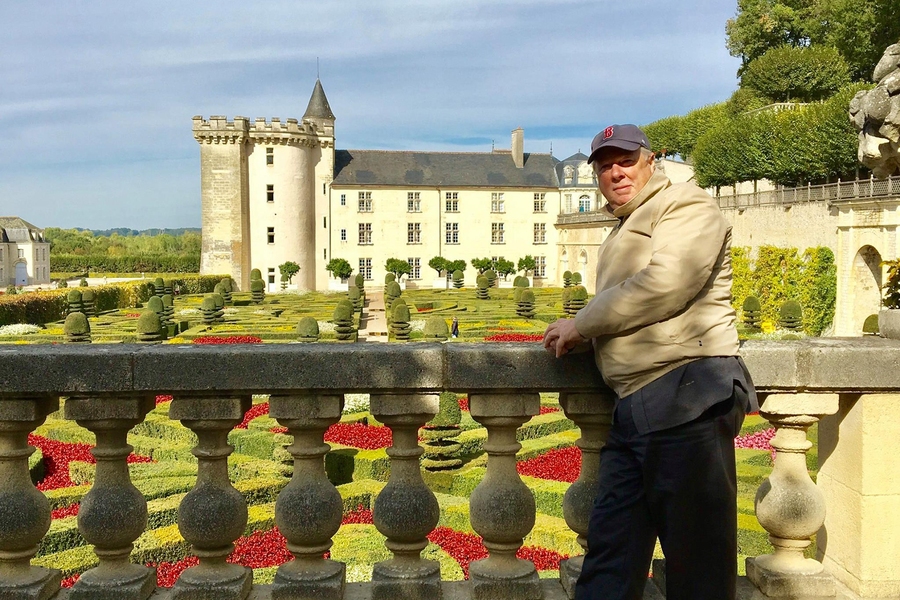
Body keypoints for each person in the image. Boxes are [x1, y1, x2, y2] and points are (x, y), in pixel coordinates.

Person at [543, 124, 758, 600]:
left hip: (689, 392)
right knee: (608, 562)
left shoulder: (687, 203)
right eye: (604, 166)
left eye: (625, 161)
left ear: (650, 161)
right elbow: (632, 304)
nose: (615, 172)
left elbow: (667, 283)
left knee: (697, 569)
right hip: (639, 404)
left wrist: (582, 324)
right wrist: (591, 336)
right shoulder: (626, 224)